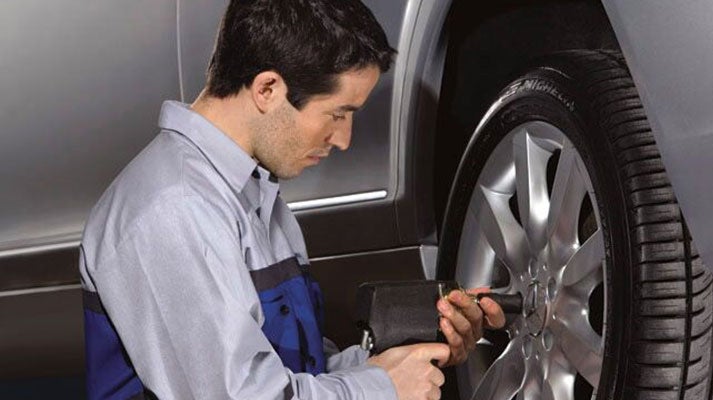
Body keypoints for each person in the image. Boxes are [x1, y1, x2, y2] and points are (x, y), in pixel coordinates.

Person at [79, 0, 505, 399]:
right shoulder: (173, 208)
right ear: (267, 89)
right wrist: (381, 388)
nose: (343, 139)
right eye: (338, 114)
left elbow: (301, 374)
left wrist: (414, 354)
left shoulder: (253, 196)